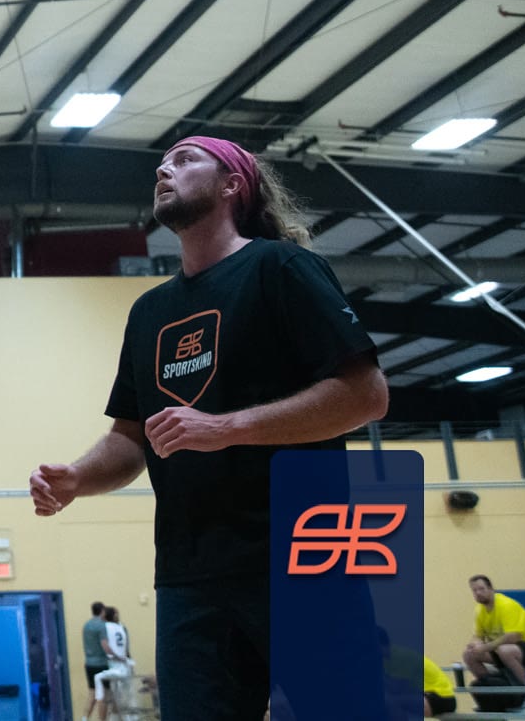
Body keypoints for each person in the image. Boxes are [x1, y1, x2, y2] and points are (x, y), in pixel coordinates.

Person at [28, 136, 388, 721]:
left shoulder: (281, 268)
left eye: (185, 159)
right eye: (161, 163)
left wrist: (227, 427)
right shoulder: (149, 312)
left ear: (232, 185)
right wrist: (78, 477)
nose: (163, 169)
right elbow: (131, 438)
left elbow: (367, 395)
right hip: (188, 576)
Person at [463, 574, 525, 690]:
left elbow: (514, 637)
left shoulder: (506, 605)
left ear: (491, 589)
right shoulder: (479, 610)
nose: (478, 593)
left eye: (481, 589)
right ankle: (495, 689)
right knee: (469, 655)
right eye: (474, 590)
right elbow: (478, 635)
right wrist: (475, 644)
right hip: (503, 649)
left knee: (505, 651)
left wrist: (485, 647)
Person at [94, 605, 134, 717]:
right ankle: (121, 716)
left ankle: (103, 706)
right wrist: (126, 659)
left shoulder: (105, 627)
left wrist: (116, 657)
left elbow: (105, 646)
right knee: (123, 696)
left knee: (100, 681)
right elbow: (126, 649)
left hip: (113, 665)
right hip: (124, 666)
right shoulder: (121, 627)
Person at [80, 601, 109, 720]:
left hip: (89, 664)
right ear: (102, 611)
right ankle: (102, 719)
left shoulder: (86, 625)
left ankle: (84, 718)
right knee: (103, 694)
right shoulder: (102, 625)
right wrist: (114, 655)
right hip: (101, 664)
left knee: (92, 692)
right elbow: (104, 644)